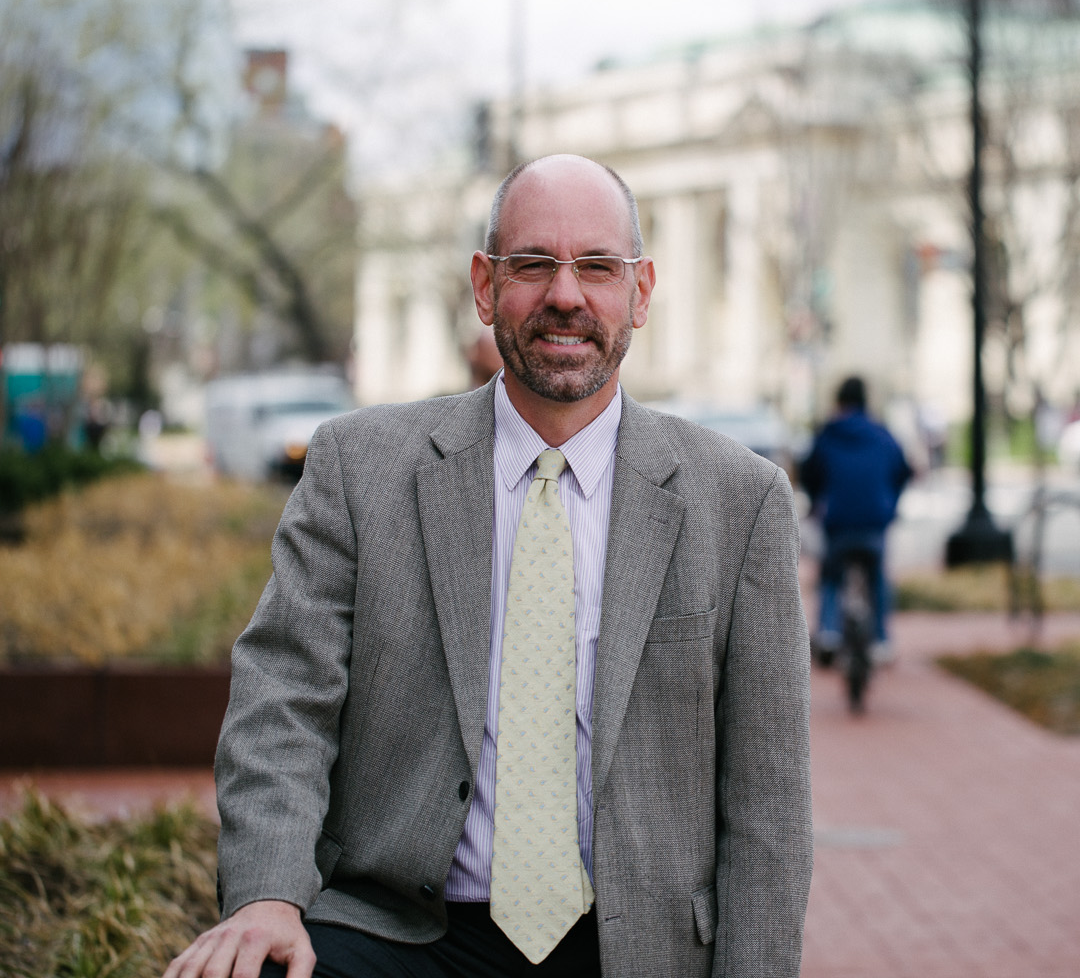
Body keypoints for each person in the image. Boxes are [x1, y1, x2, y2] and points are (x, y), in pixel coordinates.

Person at [165, 154, 813, 978]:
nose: (566, 296)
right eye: (533, 265)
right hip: (401, 931)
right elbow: (283, 700)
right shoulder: (360, 469)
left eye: (598, 268)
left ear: (641, 292)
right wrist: (267, 895)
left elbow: (769, 804)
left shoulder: (739, 501)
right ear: (484, 287)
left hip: (637, 949)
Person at [800, 376, 913, 665]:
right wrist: (891, 503)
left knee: (831, 577)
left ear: (839, 402)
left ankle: (828, 632)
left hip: (837, 522)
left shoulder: (827, 434)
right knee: (877, 578)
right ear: (866, 401)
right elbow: (903, 470)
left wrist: (815, 503)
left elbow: (809, 473)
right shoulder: (883, 435)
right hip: (875, 521)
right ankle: (881, 641)